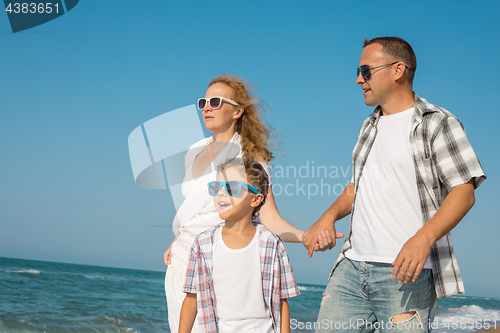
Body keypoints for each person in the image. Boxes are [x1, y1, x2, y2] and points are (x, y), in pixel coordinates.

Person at [303, 37, 486, 333]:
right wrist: (328, 215)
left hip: (406, 274)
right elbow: (357, 186)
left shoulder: (437, 122)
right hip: (351, 267)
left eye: (366, 70)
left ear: (398, 70)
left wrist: (423, 239)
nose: (358, 79)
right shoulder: (369, 126)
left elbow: (464, 193)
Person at [164, 74, 336, 332]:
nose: (207, 107)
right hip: (183, 261)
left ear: (237, 112)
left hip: (222, 263)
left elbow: (270, 219)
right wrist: (178, 238)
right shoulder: (193, 151)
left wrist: (305, 236)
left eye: (216, 101)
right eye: (203, 102)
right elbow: (195, 208)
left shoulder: (250, 157)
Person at [179, 156, 299, 333]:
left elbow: (281, 301)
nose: (221, 193)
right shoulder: (203, 244)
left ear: (256, 200)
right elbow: (191, 298)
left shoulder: (272, 244)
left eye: (231, 187)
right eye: (216, 187)